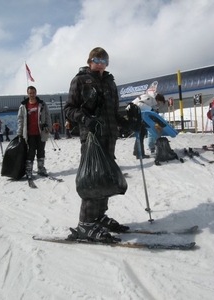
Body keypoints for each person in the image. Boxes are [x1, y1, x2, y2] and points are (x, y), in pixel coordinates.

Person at [64, 47, 140, 243]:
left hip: (109, 136)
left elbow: (113, 114)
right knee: (92, 177)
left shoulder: (110, 83)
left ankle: (98, 217)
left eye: (104, 59)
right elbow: (69, 109)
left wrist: (128, 123)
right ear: (90, 61)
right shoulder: (80, 80)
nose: (100, 62)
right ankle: (86, 224)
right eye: (96, 59)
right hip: (91, 136)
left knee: (105, 178)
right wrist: (85, 119)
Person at [17, 86, 52, 179]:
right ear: (27, 94)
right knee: (30, 151)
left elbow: (48, 116)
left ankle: (41, 168)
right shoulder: (23, 106)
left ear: (36, 93)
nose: (31, 95)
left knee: (41, 151)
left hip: (41, 132)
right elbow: (20, 120)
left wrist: (49, 127)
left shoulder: (42, 104)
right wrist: (19, 133)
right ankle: (29, 169)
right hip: (29, 134)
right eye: (30, 93)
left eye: (33, 93)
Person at [129, 93, 166, 157]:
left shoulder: (151, 100)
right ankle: (140, 154)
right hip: (133, 113)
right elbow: (139, 104)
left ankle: (136, 152)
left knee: (140, 133)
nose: (159, 104)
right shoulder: (149, 98)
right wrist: (151, 110)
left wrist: (152, 110)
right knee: (141, 132)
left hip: (135, 113)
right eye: (160, 103)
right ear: (158, 100)